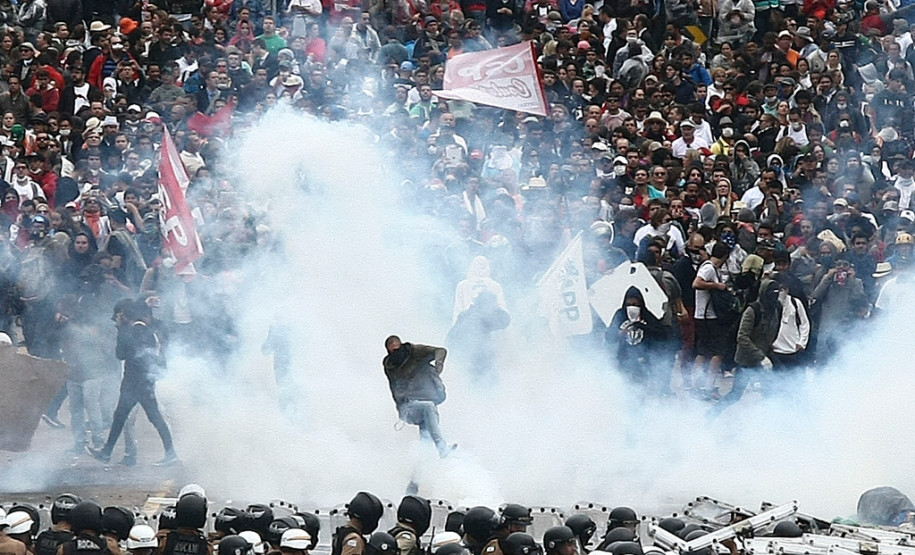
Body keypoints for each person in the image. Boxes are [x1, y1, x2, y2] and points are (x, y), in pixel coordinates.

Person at [87, 298, 177, 465]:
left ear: (125, 315)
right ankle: (106, 452)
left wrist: (121, 330)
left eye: (119, 315)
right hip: (140, 382)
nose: (117, 318)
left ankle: (171, 454)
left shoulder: (135, 331)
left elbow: (121, 354)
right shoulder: (142, 330)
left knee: (148, 417)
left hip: (137, 383)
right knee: (124, 416)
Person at [712, 279, 781, 412]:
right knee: (736, 395)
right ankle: (710, 415)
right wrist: (761, 357)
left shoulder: (777, 308)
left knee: (773, 392)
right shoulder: (753, 310)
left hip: (765, 358)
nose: (775, 296)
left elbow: (774, 330)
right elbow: (742, 337)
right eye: (772, 293)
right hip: (747, 361)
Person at [383, 335, 456, 458]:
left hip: (429, 398)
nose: (395, 353)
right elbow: (393, 387)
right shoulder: (390, 366)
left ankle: (425, 465)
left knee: (426, 434)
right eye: (392, 351)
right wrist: (400, 410)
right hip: (409, 405)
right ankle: (442, 448)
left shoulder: (416, 352)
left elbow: (440, 351)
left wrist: (439, 364)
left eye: (397, 349)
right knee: (428, 407)